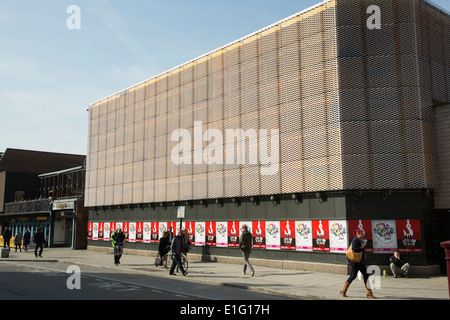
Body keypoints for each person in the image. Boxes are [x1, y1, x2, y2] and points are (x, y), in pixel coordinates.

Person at [340, 230, 376, 298]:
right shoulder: (355, 240)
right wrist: (361, 248)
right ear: (359, 234)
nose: (363, 235)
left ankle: (369, 292)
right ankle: (344, 290)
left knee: (365, 275)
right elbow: (354, 249)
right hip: (355, 262)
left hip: (360, 261)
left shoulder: (359, 240)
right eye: (362, 234)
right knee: (353, 276)